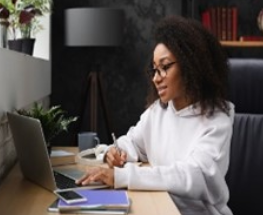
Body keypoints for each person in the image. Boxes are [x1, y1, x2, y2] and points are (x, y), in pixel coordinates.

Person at [76, 15, 235, 215]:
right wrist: (114, 152)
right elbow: (133, 143)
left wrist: (123, 176)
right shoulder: (158, 111)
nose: (156, 78)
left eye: (165, 67)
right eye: (154, 69)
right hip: (159, 207)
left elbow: (192, 175)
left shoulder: (217, 121)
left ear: (191, 65)